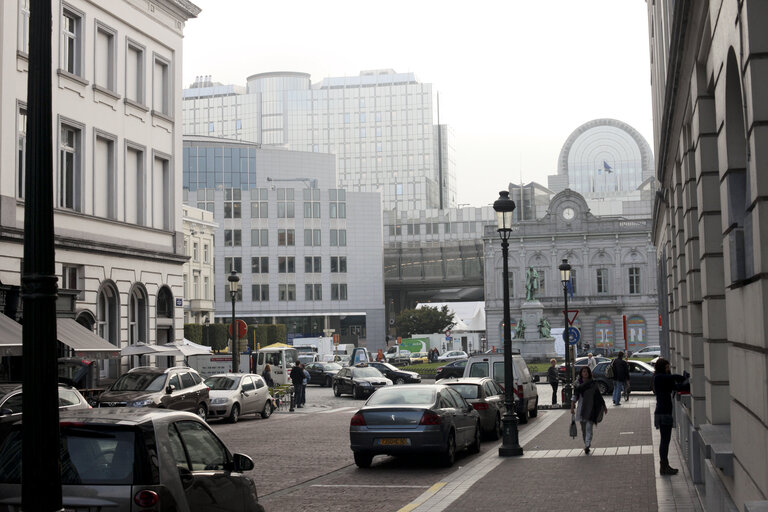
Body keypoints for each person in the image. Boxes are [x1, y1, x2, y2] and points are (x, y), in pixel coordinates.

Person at [653, 358, 688, 476]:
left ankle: (665, 465)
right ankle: (664, 467)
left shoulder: (663, 379)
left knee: (665, 441)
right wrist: (681, 377)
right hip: (663, 413)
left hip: (664, 413)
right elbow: (671, 378)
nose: (668, 369)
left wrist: (684, 382)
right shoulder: (658, 377)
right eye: (667, 367)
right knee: (664, 441)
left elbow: (675, 387)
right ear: (662, 367)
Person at [570, 366, 607, 454]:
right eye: (583, 372)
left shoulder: (592, 383)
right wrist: (572, 406)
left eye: (586, 372)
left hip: (591, 408)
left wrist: (604, 406)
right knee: (583, 429)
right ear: (581, 373)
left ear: (589, 373)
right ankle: (586, 442)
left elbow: (598, 395)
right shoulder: (577, 384)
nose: (585, 373)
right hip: (581, 408)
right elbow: (575, 396)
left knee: (589, 427)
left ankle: (587, 445)